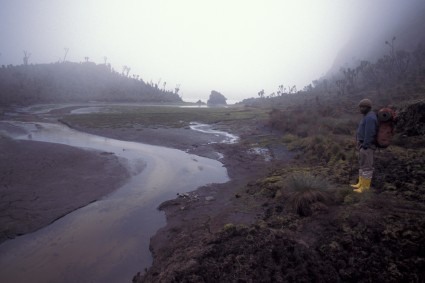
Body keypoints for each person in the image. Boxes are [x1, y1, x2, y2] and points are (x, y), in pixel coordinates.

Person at [350, 99, 378, 193]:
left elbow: (370, 133)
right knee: (362, 165)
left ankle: (365, 188)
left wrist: (365, 145)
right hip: (362, 145)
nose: (361, 109)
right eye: (360, 107)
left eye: (363, 107)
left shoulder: (370, 117)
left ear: (368, 107)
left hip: (367, 146)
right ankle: (360, 184)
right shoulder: (366, 116)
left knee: (367, 166)